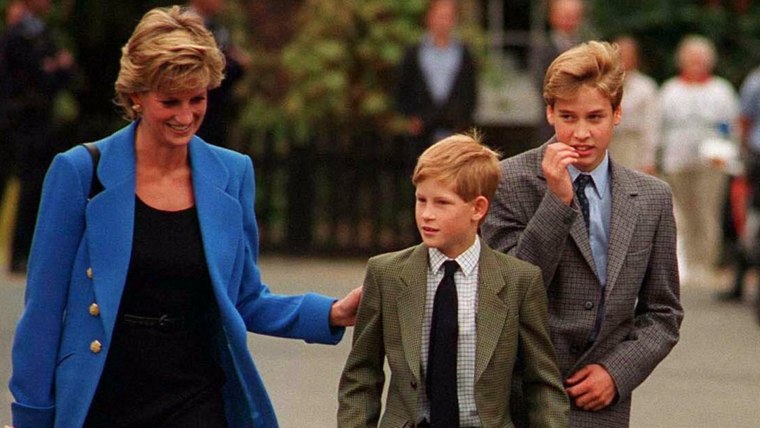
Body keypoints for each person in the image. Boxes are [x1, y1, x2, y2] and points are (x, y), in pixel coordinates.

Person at [8, 6, 360, 428]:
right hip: (105, 396)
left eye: (198, 98)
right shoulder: (79, 173)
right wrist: (31, 417)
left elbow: (244, 298)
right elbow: (43, 313)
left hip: (197, 397)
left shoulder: (232, 174)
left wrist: (332, 313)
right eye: (169, 101)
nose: (186, 115)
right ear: (136, 95)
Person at [482, 41, 683, 427]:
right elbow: (504, 292)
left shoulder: (652, 198)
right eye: (568, 117)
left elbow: (663, 311)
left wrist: (617, 372)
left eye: (595, 117)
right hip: (521, 399)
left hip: (602, 406)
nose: (581, 133)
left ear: (617, 114)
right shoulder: (510, 181)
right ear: (550, 113)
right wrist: (557, 201)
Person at [338, 134, 569, 427]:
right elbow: (361, 374)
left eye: (442, 203)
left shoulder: (518, 281)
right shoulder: (386, 274)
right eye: (421, 200)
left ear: (478, 208)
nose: (427, 215)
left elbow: (542, 384)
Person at [658, 35, 740, 285]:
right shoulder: (670, 89)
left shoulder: (721, 90)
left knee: (708, 212)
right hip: (677, 161)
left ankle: (706, 263)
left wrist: (727, 153)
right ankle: (687, 264)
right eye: (691, 59)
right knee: (683, 213)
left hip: (711, 162)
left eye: (700, 59)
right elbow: (660, 126)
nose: (696, 64)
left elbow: (731, 127)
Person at [4, 0, 74, 274]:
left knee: (35, 188)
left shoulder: (44, 32)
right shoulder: (18, 34)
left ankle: (25, 252)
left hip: (40, 122)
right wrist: (52, 69)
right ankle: (18, 252)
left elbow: (64, 74)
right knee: (23, 185)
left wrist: (56, 68)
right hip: (20, 120)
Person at [395, 0, 477, 158]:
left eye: (448, 17)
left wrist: (463, 122)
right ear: (429, 18)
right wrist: (411, 117)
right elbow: (402, 87)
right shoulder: (414, 52)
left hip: (453, 128)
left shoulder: (464, 52)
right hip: (422, 128)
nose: (443, 22)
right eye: (440, 16)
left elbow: (470, 90)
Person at [188, 0, 250, 150]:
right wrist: (235, 64)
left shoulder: (218, 28)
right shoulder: (185, 27)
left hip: (217, 110)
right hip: (194, 111)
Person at [532, 0, 589, 144]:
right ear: (553, 17)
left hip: (585, 123)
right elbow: (541, 82)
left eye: (574, 16)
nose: (570, 20)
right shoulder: (542, 48)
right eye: (566, 15)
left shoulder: (589, 47)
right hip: (553, 124)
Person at [608, 35, 659, 174]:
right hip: (609, 144)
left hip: (634, 146)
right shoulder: (603, 84)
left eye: (628, 54)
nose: (624, 58)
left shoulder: (646, 87)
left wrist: (649, 160)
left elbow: (651, 126)